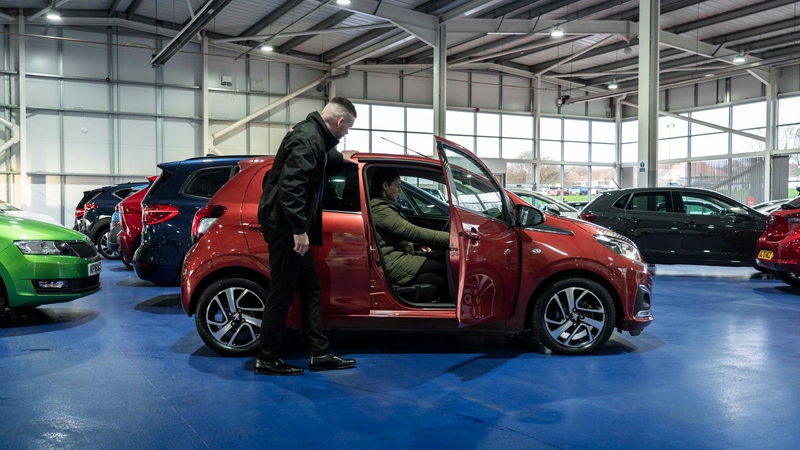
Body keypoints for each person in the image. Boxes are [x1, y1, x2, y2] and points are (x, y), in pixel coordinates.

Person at [254, 96, 358, 376]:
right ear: (339, 122)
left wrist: (342, 158)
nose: (346, 133)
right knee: (282, 292)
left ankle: (320, 353)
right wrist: (299, 230)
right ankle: (266, 357)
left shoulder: (314, 137)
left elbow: (322, 156)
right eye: (347, 128)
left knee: (310, 287)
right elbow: (291, 187)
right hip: (285, 227)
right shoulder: (307, 139)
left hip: (288, 226)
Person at [369, 168, 450, 301]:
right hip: (392, 261)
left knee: (441, 270)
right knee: (446, 263)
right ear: (385, 186)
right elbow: (409, 231)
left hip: (398, 256)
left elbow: (399, 234)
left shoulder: (384, 206)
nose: (399, 191)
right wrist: (453, 239)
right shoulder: (379, 209)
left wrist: (417, 246)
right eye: (397, 186)